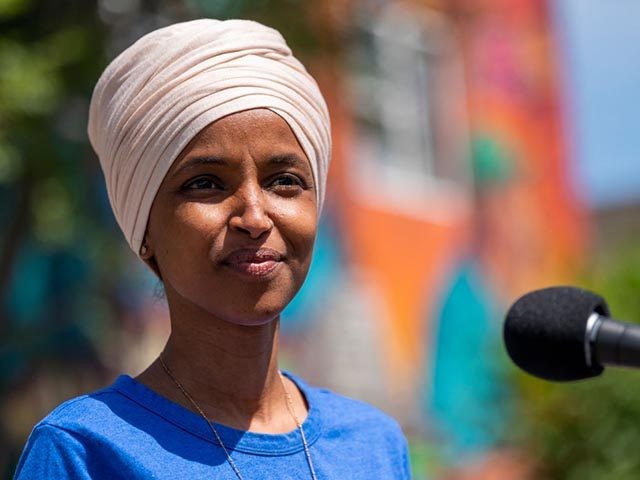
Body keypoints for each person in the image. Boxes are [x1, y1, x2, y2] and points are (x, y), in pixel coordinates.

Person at [14, 18, 411, 479]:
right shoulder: (85, 451)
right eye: (205, 183)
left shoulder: (373, 446)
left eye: (284, 181)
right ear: (144, 228)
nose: (255, 217)